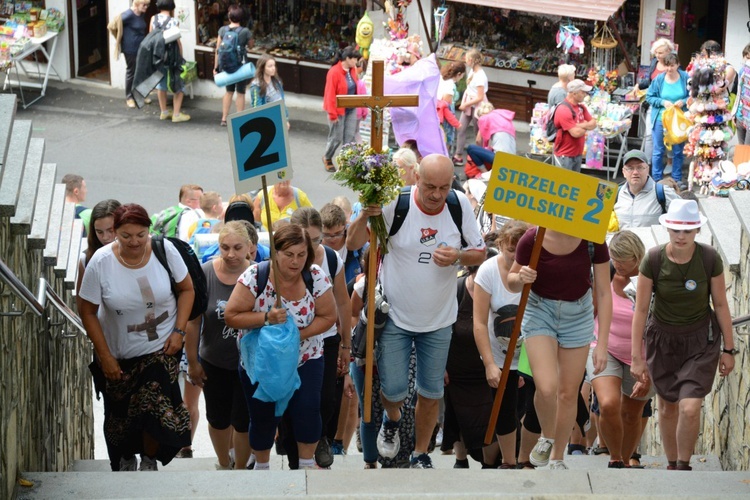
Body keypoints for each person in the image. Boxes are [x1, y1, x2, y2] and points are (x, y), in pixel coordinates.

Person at [347, 154, 486, 468]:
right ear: (416, 179)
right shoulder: (395, 204)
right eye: (429, 186)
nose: (436, 194)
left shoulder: (458, 204)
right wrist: (364, 217)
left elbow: (479, 253)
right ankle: (392, 419)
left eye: (444, 186)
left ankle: (421, 453)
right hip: (395, 315)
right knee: (393, 390)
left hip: (439, 319)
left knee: (431, 391)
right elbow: (354, 243)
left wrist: (458, 257)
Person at [78, 203, 194, 471]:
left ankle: (149, 461)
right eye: (126, 236)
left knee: (152, 406)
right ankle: (126, 458)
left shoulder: (166, 251)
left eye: (141, 235)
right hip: (119, 353)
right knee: (121, 418)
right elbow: (87, 310)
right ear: (115, 232)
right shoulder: (101, 262)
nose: (134, 242)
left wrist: (179, 331)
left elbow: (187, 289)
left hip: (161, 348)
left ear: (148, 230)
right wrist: (105, 355)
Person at [631, 199, 736, 471]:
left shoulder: (709, 258)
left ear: (697, 231)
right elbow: (641, 311)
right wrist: (636, 358)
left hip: (700, 340)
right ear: (667, 229)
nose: (681, 236)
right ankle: (672, 465)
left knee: (689, 407)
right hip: (662, 340)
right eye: (676, 229)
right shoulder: (653, 259)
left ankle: (683, 466)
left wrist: (729, 348)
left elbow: (721, 304)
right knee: (667, 407)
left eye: (687, 230)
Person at [225, 224, 337, 471]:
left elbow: (329, 316)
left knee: (308, 410)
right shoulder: (256, 276)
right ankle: (262, 468)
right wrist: (265, 318)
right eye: (288, 254)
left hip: (305, 357)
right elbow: (231, 315)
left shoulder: (315, 276)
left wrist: (297, 337)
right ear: (275, 253)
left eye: (301, 254)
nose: (295, 262)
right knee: (263, 415)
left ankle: (307, 466)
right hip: (261, 362)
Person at [508, 226, 612, 470]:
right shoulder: (532, 237)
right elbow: (511, 282)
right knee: (546, 387)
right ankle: (547, 435)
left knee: (567, 392)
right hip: (539, 309)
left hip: (578, 314)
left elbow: (604, 293)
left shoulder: (593, 238)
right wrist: (520, 277)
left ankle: (557, 458)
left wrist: (602, 344)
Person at [289, 207, 353, 468]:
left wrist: (346, 345)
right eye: (304, 239)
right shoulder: (284, 256)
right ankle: (294, 449)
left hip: (325, 337)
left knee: (325, 398)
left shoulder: (331, 257)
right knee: (293, 396)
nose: (310, 246)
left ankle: (322, 436)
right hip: (290, 338)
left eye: (316, 239)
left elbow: (343, 301)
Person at [185, 221, 252, 470]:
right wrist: (192, 362)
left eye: (237, 247)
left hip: (249, 363)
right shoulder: (205, 273)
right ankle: (224, 463)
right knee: (219, 419)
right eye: (224, 248)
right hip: (214, 361)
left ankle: (240, 468)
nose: (231, 254)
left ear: (249, 247)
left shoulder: (259, 273)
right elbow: (194, 322)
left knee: (243, 420)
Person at [588, 230, 654, 469]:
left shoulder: (652, 278)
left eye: (623, 259)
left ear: (637, 256)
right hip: (605, 347)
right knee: (607, 403)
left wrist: (648, 364)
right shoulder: (606, 275)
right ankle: (615, 457)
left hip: (644, 357)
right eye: (614, 258)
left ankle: (626, 460)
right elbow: (592, 310)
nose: (618, 264)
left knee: (632, 413)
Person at [471, 221, 529, 468]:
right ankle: (508, 462)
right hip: (498, 353)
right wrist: (489, 364)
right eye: (511, 250)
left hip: (529, 352)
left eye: (522, 250)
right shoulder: (488, 271)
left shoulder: (533, 270)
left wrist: (526, 366)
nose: (516, 256)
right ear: (501, 245)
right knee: (504, 409)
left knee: (527, 408)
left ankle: (525, 457)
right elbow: (480, 322)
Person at [646, 52, 688, 186]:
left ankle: (676, 178)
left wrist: (684, 101)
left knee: (678, 150)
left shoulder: (685, 77)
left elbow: (694, 95)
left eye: (672, 66)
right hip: (661, 118)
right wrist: (663, 102)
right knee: (658, 150)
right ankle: (656, 178)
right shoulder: (659, 79)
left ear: (678, 65)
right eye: (667, 66)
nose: (669, 69)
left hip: (678, 119)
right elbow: (649, 97)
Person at [629, 38, 674, 160]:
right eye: (656, 53)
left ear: (669, 51)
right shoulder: (655, 62)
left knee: (668, 135)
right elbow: (650, 80)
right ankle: (647, 163)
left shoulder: (673, 64)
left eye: (661, 53)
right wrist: (639, 85)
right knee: (649, 135)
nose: (658, 55)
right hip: (653, 104)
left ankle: (670, 161)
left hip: (668, 105)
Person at [613, 150, 679, 230]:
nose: (635, 172)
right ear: (624, 172)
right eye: (630, 168)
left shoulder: (662, 193)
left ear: (647, 170)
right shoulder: (615, 194)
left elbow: (685, 219)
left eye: (640, 167)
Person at [76, 199, 122, 310]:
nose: (105, 237)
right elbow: (83, 308)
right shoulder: (86, 260)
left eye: (111, 230)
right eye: (99, 232)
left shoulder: (140, 252)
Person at [322, 46, 361, 173]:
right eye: (355, 59)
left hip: (351, 108)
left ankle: (345, 163)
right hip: (338, 110)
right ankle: (327, 157)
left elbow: (356, 88)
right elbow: (329, 94)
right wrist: (332, 114)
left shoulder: (353, 70)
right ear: (347, 59)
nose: (356, 62)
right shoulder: (334, 72)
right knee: (336, 137)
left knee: (349, 137)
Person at [151, 0, 190, 123]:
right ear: (172, 6)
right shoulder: (174, 21)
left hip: (157, 56)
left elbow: (150, 37)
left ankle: (164, 112)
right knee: (178, 83)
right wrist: (181, 57)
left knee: (161, 83)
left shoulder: (153, 19)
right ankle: (176, 114)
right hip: (171, 58)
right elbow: (177, 41)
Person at [214, 4, 252, 127]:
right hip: (240, 66)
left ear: (229, 17)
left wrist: (216, 68)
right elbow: (251, 46)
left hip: (226, 66)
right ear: (241, 18)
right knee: (240, 92)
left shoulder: (222, 30)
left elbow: (218, 50)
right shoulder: (245, 31)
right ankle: (239, 119)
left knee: (229, 92)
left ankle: (224, 118)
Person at [111, 0, 150, 109]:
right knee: (131, 71)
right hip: (130, 49)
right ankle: (129, 97)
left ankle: (140, 94)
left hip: (140, 47)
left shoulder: (142, 14)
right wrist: (120, 38)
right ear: (137, 4)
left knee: (141, 70)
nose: (146, 7)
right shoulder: (128, 15)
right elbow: (112, 25)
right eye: (144, 5)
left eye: (148, 5)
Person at [553, 79, 597, 172]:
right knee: (564, 182)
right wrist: (586, 125)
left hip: (577, 154)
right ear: (574, 93)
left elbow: (594, 123)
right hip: (565, 155)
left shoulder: (581, 107)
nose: (585, 94)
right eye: (582, 92)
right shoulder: (563, 109)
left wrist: (579, 125)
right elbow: (576, 133)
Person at [454, 49, 488, 165]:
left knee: (477, 133)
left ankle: (481, 157)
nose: (465, 61)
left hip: (477, 105)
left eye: (467, 59)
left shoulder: (480, 76)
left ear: (471, 60)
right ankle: (458, 155)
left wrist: (465, 104)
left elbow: (480, 97)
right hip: (470, 102)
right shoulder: (472, 71)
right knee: (461, 128)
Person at [465, 102, 516, 176]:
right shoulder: (504, 118)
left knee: (471, 149)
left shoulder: (485, 118)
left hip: (500, 159)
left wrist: (481, 152)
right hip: (512, 160)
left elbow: (478, 141)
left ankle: (485, 174)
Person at [320, 202, 361, 284]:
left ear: (345, 225)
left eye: (338, 233)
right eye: (327, 235)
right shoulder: (315, 247)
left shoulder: (359, 246)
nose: (333, 239)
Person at [248, 55, 288, 129]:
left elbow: (281, 100)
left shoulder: (277, 81)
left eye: (274, 65)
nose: (273, 68)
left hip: (279, 116)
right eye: (270, 66)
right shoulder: (256, 86)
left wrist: (286, 119)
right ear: (262, 68)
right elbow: (257, 108)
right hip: (268, 120)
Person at [437, 61, 466, 155]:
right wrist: (456, 123)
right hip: (445, 118)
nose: (461, 78)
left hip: (436, 114)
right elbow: (446, 105)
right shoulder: (450, 85)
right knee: (446, 141)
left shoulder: (441, 79)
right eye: (462, 76)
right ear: (459, 74)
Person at [734, 43, 750, 144]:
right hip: (740, 115)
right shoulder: (741, 71)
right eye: (747, 57)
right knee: (741, 149)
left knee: (748, 150)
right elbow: (739, 93)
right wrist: (734, 113)